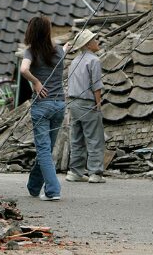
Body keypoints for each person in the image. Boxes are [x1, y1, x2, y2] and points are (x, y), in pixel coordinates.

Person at [20, 16, 66, 201]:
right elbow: (65, 50)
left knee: (43, 150)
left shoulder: (30, 52)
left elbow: (24, 70)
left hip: (42, 105)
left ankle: (53, 191)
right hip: (60, 105)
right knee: (47, 148)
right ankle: (34, 186)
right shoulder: (60, 51)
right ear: (48, 32)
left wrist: (37, 82)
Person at [65, 29, 106, 184]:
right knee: (95, 138)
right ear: (89, 44)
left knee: (77, 138)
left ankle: (75, 172)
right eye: (95, 40)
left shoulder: (74, 61)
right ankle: (95, 172)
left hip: (73, 103)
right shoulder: (93, 60)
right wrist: (98, 104)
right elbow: (96, 85)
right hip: (87, 102)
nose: (97, 42)